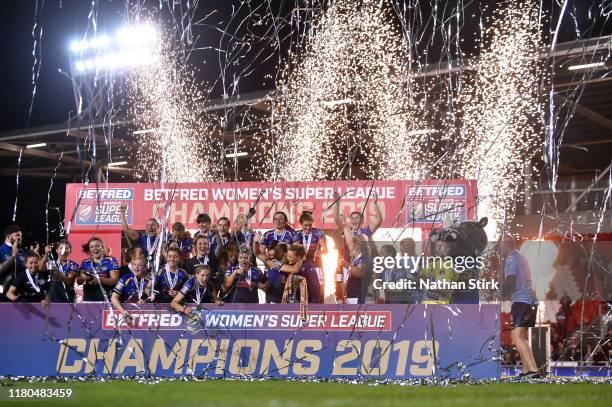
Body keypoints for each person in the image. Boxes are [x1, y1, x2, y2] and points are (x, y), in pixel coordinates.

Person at [501, 236, 540, 378]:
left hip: (522, 301)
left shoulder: (511, 258)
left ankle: (534, 371)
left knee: (516, 336)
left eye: (501, 245)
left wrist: (501, 293)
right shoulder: (521, 256)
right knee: (520, 337)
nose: (499, 248)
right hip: (531, 300)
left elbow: (511, 280)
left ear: (506, 245)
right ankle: (527, 371)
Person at [78, 237, 120, 302]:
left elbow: (115, 280)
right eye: (91, 247)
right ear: (89, 250)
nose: (94, 248)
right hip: (89, 299)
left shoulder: (111, 260)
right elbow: (79, 282)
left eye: (97, 246)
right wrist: (84, 276)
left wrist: (99, 279)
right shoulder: (85, 262)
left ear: (102, 248)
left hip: (106, 299)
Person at [111, 256, 151, 324]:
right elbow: (113, 297)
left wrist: (145, 301)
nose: (136, 267)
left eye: (139, 265)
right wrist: (124, 312)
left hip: (144, 317)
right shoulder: (125, 278)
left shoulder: (149, 280)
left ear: (144, 267)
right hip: (126, 313)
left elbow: (153, 297)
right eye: (134, 264)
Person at [253, 237, 290, 303]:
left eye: (273, 255)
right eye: (269, 255)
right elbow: (257, 253)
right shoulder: (272, 263)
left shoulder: (287, 265)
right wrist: (255, 241)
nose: (271, 257)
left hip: (285, 301)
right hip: (272, 300)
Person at [0, 225, 27, 292]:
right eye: (17, 235)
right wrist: (12, 257)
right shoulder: (1, 250)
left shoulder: (22, 252)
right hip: (4, 291)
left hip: (21, 293)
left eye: (21, 236)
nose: (20, 238)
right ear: (8, 236)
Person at [345, 234, 370, 304]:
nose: (349, 248)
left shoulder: (364, 258)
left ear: (357, 246)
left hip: (357, 296)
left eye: (351, 245)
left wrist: (347, 265)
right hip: (351, 295)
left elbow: (359, 273)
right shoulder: (355, 259)